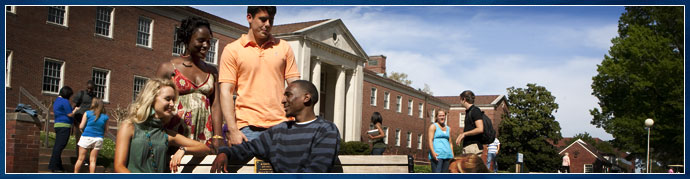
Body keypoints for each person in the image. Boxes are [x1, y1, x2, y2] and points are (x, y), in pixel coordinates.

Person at [211, 80, 340, 173]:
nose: (283, 100)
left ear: (306, 98)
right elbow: (249, 148)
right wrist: (225, 153)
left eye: (288, 95)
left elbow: (317, 170)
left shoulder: (326, 130)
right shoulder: (279, 131)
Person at [218, 6, 300, 146]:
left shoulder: (284, 47)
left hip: (283, 125)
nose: (267, 24)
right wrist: (233, 130)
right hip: (248, 128)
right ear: (249, 18)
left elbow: (296, 86)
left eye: (271, 20)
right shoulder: (232, 50)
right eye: (263, 19)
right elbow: (226, 92)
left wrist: (302, 122)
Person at [156, 16, 223, 162]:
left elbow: (216, 105)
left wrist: (218, 136)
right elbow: (152, 102)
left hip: (204, 136)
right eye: (201, 40)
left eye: (209, 41)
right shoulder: (168, 68)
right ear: (187, 39)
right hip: (175, 134)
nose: (206, 45)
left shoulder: (212, 71)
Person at [114, 78, 212, 173]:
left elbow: (205, 149)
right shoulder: (129, 127)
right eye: (168, 99)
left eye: (173, 100)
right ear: (152, 99)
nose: (172, 104)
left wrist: (184, 150)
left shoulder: (167, 135)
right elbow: (119, 167)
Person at [49, 86, 80, 173]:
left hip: (58, 125)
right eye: (70, 95)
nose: (70, 97)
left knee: (58, 146)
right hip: (64, 126)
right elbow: (70, 114)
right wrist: (76, 110)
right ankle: (54, 166)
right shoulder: (65, 101)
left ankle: (59, 166)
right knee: (60, 146)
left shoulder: (57, 101)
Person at [74, 98, 108, 173]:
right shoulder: (105, 117)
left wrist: (81, 130)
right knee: (93, 161)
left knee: (80, 159)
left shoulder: (87, 113)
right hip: (98, 139)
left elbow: (81, 126)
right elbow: (106, 130)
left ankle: (75, 175)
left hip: (87, 137)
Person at [454, 90, 485, 156]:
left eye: (460, 99)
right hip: (469, 147)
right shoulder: (469, 112)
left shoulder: (475, 110)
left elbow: (480, 129)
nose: (460, 102)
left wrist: (464, 134)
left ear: (464, 99)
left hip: (473, 147)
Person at [72, 80, 96, 158]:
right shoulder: (81, 94)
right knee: (79, 139)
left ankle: (84, 158)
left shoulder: (94, 97)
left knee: (87, 140)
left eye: (91, 89)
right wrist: (72, 115)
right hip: (79, 119)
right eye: (88, 88)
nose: (89, 90)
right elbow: (74, 105)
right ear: (86, 86)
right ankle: (78, 157)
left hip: (88, 121)